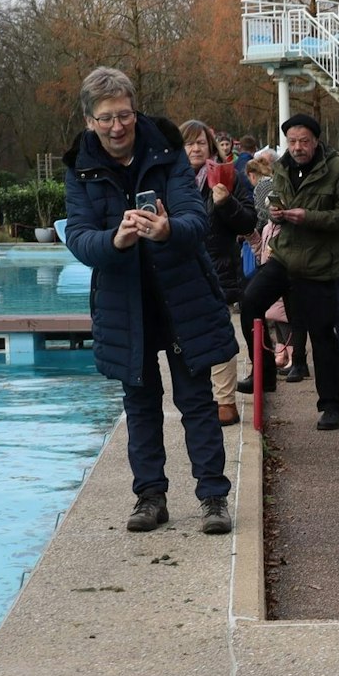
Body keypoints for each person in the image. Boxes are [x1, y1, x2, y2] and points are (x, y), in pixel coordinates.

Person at [62, 66, 237, 535]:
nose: (117, 126)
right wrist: (114, 242)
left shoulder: (167, 150)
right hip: (125, 303)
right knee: (140, 405)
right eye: (105, 118)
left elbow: (195, 218)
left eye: (124, 115)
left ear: (135, 111)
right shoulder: (78, 168)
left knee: (196, 401)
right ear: (89, 121)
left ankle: (214, 497)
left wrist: (168, 230)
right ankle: (150, 496)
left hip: (182, 296)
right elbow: (78, 236)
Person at [237, 113, 339, 432]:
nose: (298, 147)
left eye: (304, 141)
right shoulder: (280, 167)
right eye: (292, 141)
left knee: (322, 334)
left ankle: (330, 406)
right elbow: (274, 206)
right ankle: (263, 376)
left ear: (316, 141)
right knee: (250, 302)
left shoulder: (337, 168)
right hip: (285, 254)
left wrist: (310, 217)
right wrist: (276, 213)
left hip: (320, 264)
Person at [182, 120, 259, 428]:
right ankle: (199, 398)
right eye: (188, 143)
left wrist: (225, 203)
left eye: (201, 142)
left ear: (211, 146)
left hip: (218, 271)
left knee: (218, 336)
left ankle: (225, 401)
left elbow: (248, 223)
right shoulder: (171, 180)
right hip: (181, 271)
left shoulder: (229, 176)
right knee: (185, 339)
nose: (195, 148)